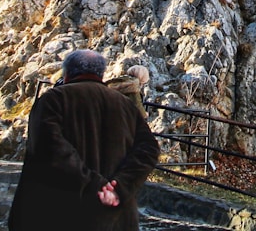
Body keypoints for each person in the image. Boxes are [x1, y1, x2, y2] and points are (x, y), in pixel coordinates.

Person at [9, 49, 160, 231]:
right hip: (115, 218)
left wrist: (93, 185)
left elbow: (49, 148)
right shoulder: (126, 105)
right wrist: (119, 187)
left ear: (66, 74)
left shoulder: (53, 99)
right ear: (101, 74)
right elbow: (149, 149)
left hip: (58, 213)